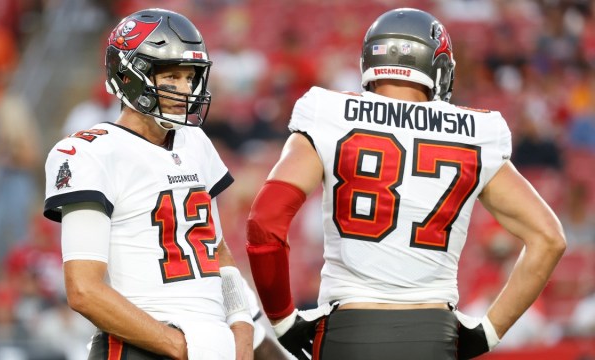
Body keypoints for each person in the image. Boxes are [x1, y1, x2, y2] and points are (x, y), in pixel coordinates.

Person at [245, 7, 566, 360]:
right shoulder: (475, 133)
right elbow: (548, 239)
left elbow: (265, 221)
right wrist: (488, 332)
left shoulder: (329, 114)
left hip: (350, 330)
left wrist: (283, 320)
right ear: (438, 68)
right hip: (433, 333)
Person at [43, 9, 254, 360]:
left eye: (190, 78)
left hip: (209, 342)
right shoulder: (90, 151)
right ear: (129, 75)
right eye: (171, 76)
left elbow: (218, 251)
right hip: (139, 346)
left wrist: (242, 327)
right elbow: (83, 290)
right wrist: (181, 348)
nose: (185, 89)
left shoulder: (195, 142)